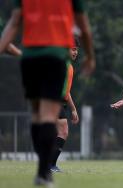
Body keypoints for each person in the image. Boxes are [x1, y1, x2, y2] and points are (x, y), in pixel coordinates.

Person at [0, 0, 95, 186]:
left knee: (37, 116)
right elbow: (84, 26)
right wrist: (90, 57)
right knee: (48, 117)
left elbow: (13, 23)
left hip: (31, 58)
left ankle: (44, 168)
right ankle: (43, 173)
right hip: (55, 56)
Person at [50, 38, 80, 172]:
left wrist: (73, 109)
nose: (76, 52)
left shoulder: (69, 66)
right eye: (73, 49)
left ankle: (49, 165)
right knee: (63, 131)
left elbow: (67, 92)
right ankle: (50, 165)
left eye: (77, 50)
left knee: (59, 132)